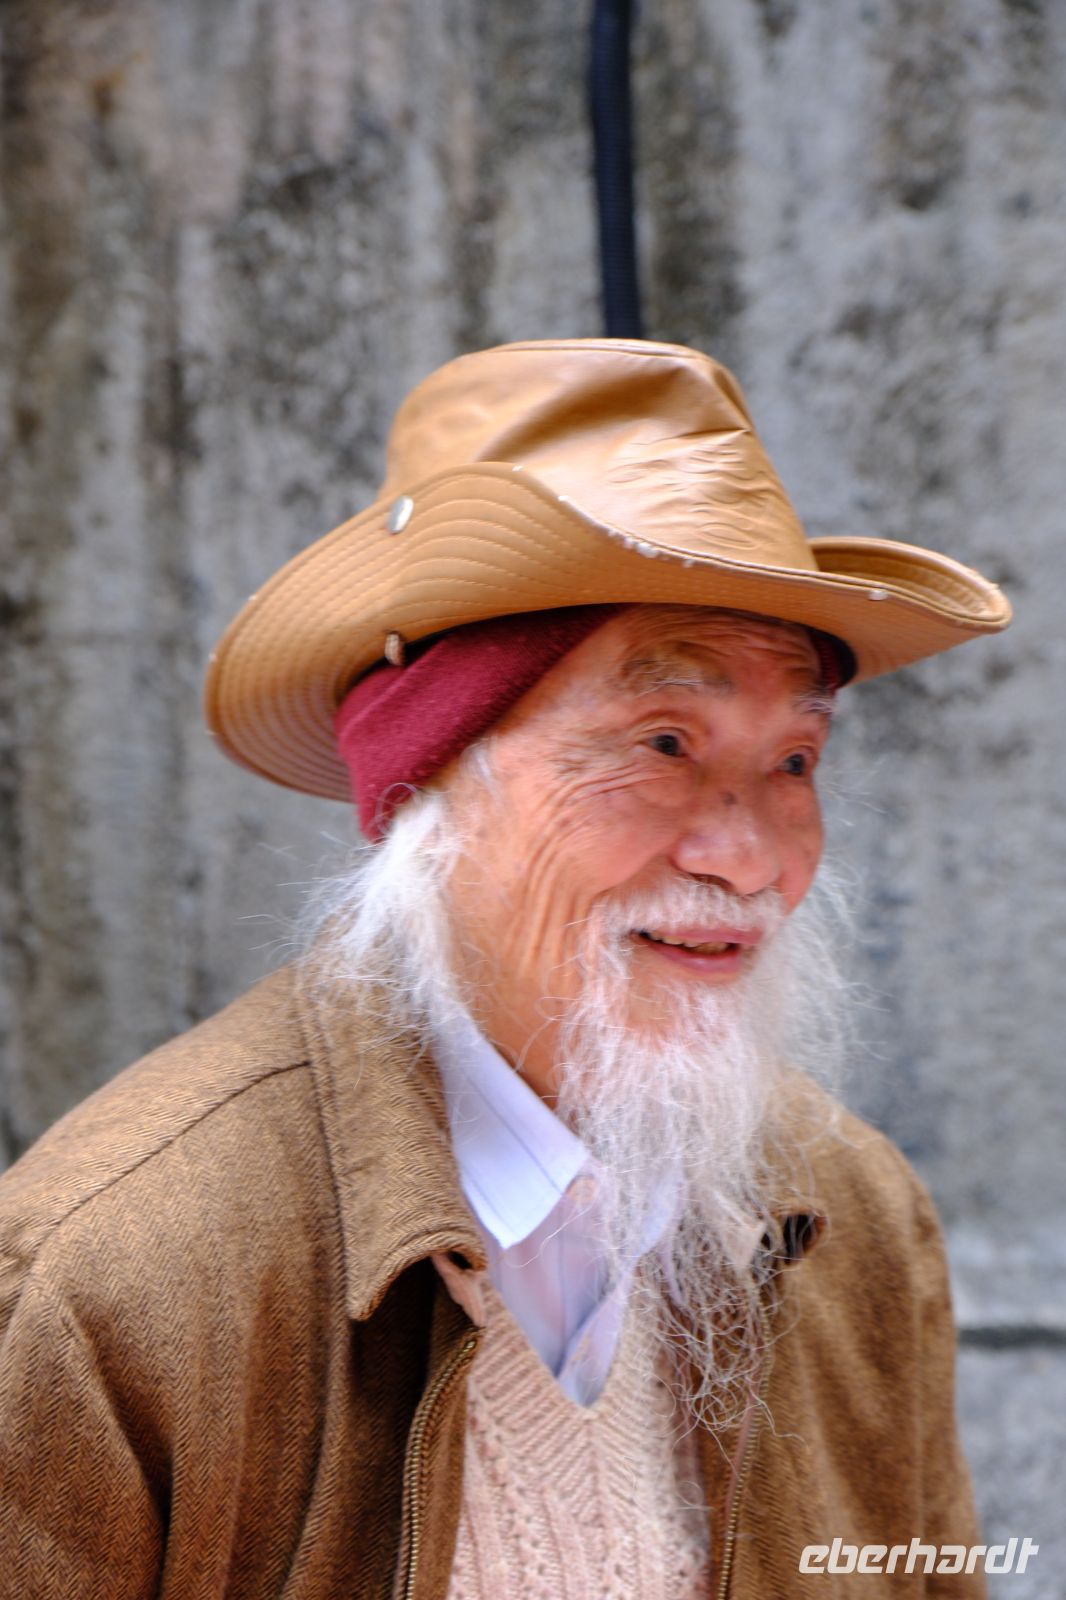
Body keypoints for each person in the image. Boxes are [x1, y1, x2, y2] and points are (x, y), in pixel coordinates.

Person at [0, 339, 1011, 1598]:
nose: (750, 857)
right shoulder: (118, 1276)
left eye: (794, 761)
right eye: (661, 742)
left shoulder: (855, 1219)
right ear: (431, 779)